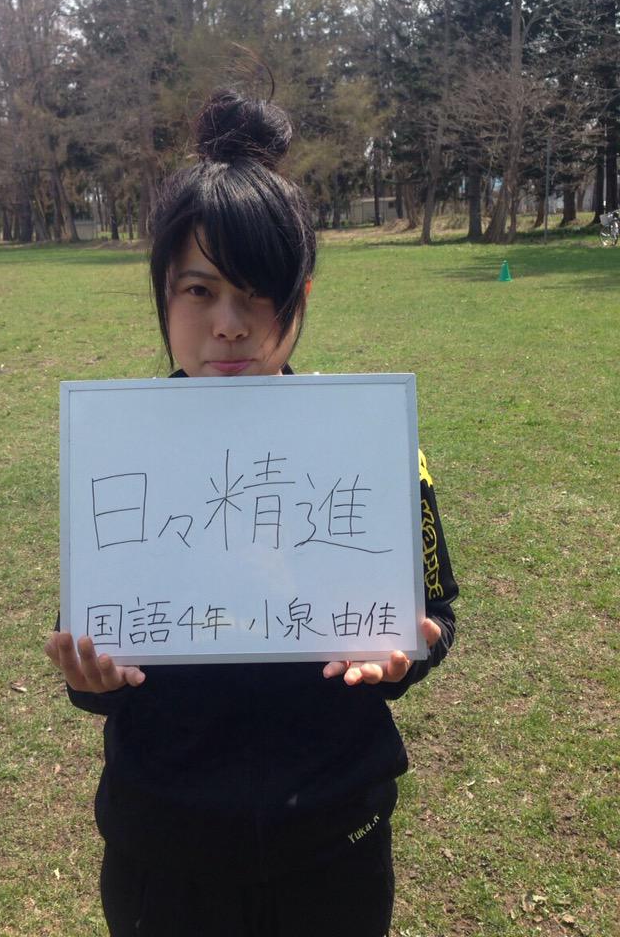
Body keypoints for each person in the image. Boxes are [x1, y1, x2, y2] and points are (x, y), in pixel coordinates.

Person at [45, 89, 458, 937]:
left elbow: (435, 613)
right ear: (163, 298)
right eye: (199, 291)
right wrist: (90, 681)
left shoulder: (369, 441)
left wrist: (407, 656)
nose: (228, 325)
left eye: (255, 292)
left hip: (332, 843)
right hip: (166, 851)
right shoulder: (119, 448)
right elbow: (98, 635)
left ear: (299, 297)